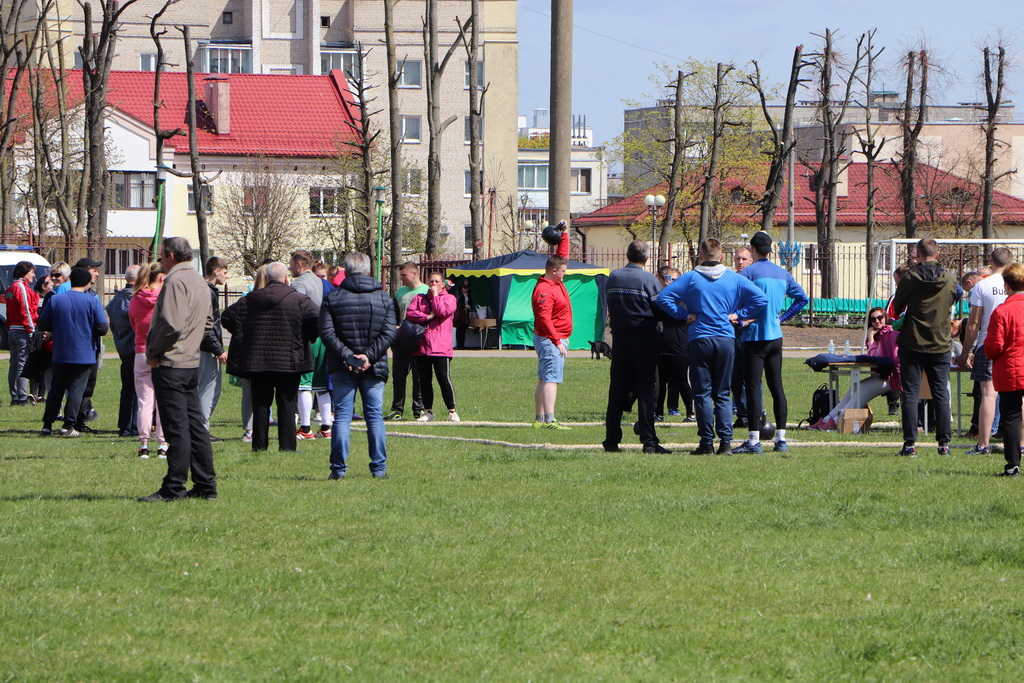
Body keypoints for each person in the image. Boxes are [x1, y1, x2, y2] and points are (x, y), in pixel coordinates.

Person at [655, 238, 767, 455]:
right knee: (723, 392)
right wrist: (739, 315)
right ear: (722, 256)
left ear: (700, 256)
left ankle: (706, 443)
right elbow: (761, 299)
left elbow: (664, 297)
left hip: (699, 338)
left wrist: (683, 314)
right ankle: (726, 443)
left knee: (702, 393)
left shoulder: (691, 277)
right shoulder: (734, 278)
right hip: (725, 338)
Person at [138, 237, 218, 502]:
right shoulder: (199, 280)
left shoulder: (175, 281)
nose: (159, 260)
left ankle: (173, 487)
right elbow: (208, 323)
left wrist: (154, 352)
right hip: (190, 362)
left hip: (171, 363)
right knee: (195, 426)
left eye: (161, 255)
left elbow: (171, 325)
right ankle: (206, 485)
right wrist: (191, 342)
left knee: (177, 428)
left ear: (171, 256)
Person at [222, 262, 320, 453]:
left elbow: (227, 317)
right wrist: (306, 336)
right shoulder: (298, 300)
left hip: (257, 360)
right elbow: (318, 318)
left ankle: (259, 445)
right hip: (290, 360)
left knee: (260, 404)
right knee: (287, 404)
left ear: (266, 278)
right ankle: (288, 447)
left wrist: (245, 334)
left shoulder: (250, 300)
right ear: (286, 278)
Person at [320, 252, 397, 479]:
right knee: (374, 416)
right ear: (368, 270)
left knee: (342, 417)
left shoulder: (332, 298)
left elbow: (327, 333)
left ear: (345, 271)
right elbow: (389, 333)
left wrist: (349, 357)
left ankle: (338, 470)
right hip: (373, 366)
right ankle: (379, 469)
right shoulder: (384, 298)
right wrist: (368, 357)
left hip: (343, 365)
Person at [735, 232, 808, 453]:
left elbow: (736, 300)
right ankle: (781, 440)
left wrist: (741, 317)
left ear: (752, 250)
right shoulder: (782, 273)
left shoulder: (748, 273)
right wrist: (782, 318)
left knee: (753, 389)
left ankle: (754, 441)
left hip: (754, 337)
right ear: (770, 249)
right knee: (777, 388)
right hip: (775, 338)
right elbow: (802, 298)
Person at [890, 238, 959, 457]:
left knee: (911, 393)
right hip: (940, 342)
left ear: (917, 255)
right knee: (941, 393)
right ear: (937, 254)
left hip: (913, 342)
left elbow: (896, 307)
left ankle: (910, 444)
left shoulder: (910, 278)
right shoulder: (950, 278)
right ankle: (944, 444)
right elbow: (957, 296)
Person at [603, 240, 668, 453]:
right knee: (647, 392)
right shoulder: (649, 279)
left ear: (627, 254)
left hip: (620, 340)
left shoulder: (614, 277)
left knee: (616, 391)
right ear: (646, 257)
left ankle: (611, 441)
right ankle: (649, 441)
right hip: (644, 340)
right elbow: (660, 308)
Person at [37, 266, 108, 437]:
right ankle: (68, 425)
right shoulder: (92, 301)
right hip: (84, 352)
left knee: (56, 388)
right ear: (87, 282)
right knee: (76, 389)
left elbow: (43, 324)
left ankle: (47, 425)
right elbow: (103, 328)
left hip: (61, 351)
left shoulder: (56, 300)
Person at [956, 247, 1012, 456]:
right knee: (1019, 395)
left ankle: (983, 444)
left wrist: (966, 351)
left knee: (988, 395)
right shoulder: (1017, 284)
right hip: (1015, 343)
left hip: (988, 342)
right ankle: (1021, 444)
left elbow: (973, 323)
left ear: (991, 261)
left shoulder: (982, 285)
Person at [809, 307, 901, 431]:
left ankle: (837, 421)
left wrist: (871, 338)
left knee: (862, 389)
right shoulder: (878, 336)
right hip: (883, 376)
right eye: (873, 319)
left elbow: (878, 358)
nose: (877, 321)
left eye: (880, 318)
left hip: (894, 378)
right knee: (855, 386)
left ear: (885, 318)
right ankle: (827, 419)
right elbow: (874, 357)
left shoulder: (889, 333)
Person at [983, 262, 1024, 477]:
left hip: (1011, 370)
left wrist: (987, 351)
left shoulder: (1001, 311)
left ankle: (1012, 465)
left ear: (1007, 285)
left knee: (1011, 417)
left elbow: (994, 346)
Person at [531, 223, 572, 429]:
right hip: (550, 339)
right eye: (563, 271)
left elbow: (561, 256)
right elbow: (544, 318)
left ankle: (539, 420)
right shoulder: (545, 290)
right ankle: (550, 420)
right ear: (554, 271)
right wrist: (557, 341)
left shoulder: (555, 281)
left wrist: (564, 234)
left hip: (553, 337)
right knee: (550, 379)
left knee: (544, 378)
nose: (565, 274)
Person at [289, 249, 333, 439]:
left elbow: (298, 308)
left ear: (299, 264)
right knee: (322, 385)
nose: (290, 268)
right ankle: (326, 427)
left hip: (308, 337)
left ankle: (305, 429)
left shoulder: (299, 283)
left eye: (291, 264)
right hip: (324, 336)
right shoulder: (321, 281)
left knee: (304, 384)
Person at [406, 271, 460, 422]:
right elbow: (410, 313)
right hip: (422, 347)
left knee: (443, 379)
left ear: (443, 284)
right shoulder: (419, 298)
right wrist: (426, 317)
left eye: (437, 281)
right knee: (424, 381)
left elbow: (441, 311)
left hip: (440, 347)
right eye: (431, 281)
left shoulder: (450, 299)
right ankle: (428, 411)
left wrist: (436, 296)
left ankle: (452, 411)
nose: (433, 284)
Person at [128, 263, 169, 459]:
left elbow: (133, 325)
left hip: (141, 352)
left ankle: (144, 444)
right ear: (161, 277)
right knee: (163, 401)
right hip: (162, 352)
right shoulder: (165, 298)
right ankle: (163, 443)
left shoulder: (135, 299)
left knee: (144, 401)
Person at [385, 262, 428, 420]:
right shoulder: (400, 292)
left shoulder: (426, 291)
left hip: (419, 339)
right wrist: (394, 326)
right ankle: (397, 410)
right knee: (399, 376)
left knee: (419, 376)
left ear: (414, 274)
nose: (401, 278)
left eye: (404, 275)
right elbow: (394, 313)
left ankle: (419, 409)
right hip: (401, 340)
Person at [106, 264, 140, 437]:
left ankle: (125, 424)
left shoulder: (117, 299)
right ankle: (133, 426)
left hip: (123, 347)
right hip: (136, 347)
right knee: (138, 389)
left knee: (127, 388)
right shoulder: (136, 298)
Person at [656, 266, 693, 422]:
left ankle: (690, 413)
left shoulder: (684, 299)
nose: (672, 282)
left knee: (682, 380)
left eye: (676, 280)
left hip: (679, 343)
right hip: (660, 343)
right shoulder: (659, 298)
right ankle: (658, 413)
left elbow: (686, 316)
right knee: (660, 381)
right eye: (669, 279)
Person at [198, 257, 229, 440]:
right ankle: (201, 430)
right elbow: (206, 325)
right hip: (206, 349)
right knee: (208, 390)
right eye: (225, 272)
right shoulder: (207, 292)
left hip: (202, 347)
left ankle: (199, 428)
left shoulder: (203, 289)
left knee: (208, 390)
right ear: (216, 271)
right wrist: (218, 349)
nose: (226, 276)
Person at [5, 260, 39, 406]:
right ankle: (21, 396)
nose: (34, 275)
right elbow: (26, 310)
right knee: (22, 363)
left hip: (12, 329)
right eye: (32, 272)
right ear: (25, 273)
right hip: (21, 330)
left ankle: (15, 396)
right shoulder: (21, 288)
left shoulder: (10, 288)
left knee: (14, 364)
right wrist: (31, 331)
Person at [731, 246, 754, 428]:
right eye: (738, 258)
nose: (740, 262)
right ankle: (742, 413)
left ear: (751, 260)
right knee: (735, 375)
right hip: (733, 332)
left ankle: (753, 412)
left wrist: (746, 319)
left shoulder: (754, 281)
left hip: (752, 332)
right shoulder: (731, 280)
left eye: (744, 259)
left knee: (752, 376)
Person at [454, 279, 473, 350]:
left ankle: (462, 344)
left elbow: (471, 302)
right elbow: (457, 303)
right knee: (459, 329)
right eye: (464, 288)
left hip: (466, 314)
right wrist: (465, 305)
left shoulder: (468, 294)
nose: (466, 289)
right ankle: (459, 345)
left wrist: (469, 305)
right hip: (460, 314)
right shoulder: (458, 294)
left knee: (464, 329)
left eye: (467, 288)